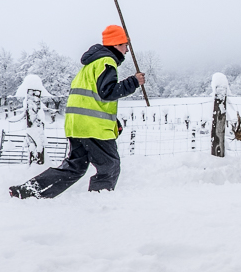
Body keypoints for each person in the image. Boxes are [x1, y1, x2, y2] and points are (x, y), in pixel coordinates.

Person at [9, 25, 146, 199]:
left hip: (77, 125)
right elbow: (107, 92)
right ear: (117, 44)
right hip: (93, 127)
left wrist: (113, 121)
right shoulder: (107, 62)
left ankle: (28, 191)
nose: (127, 50)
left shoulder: (90, 65)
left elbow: (91, 98)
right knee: (109, 166)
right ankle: (98, 201)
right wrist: (133, 82)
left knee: (75, 167)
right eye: (125, 45)